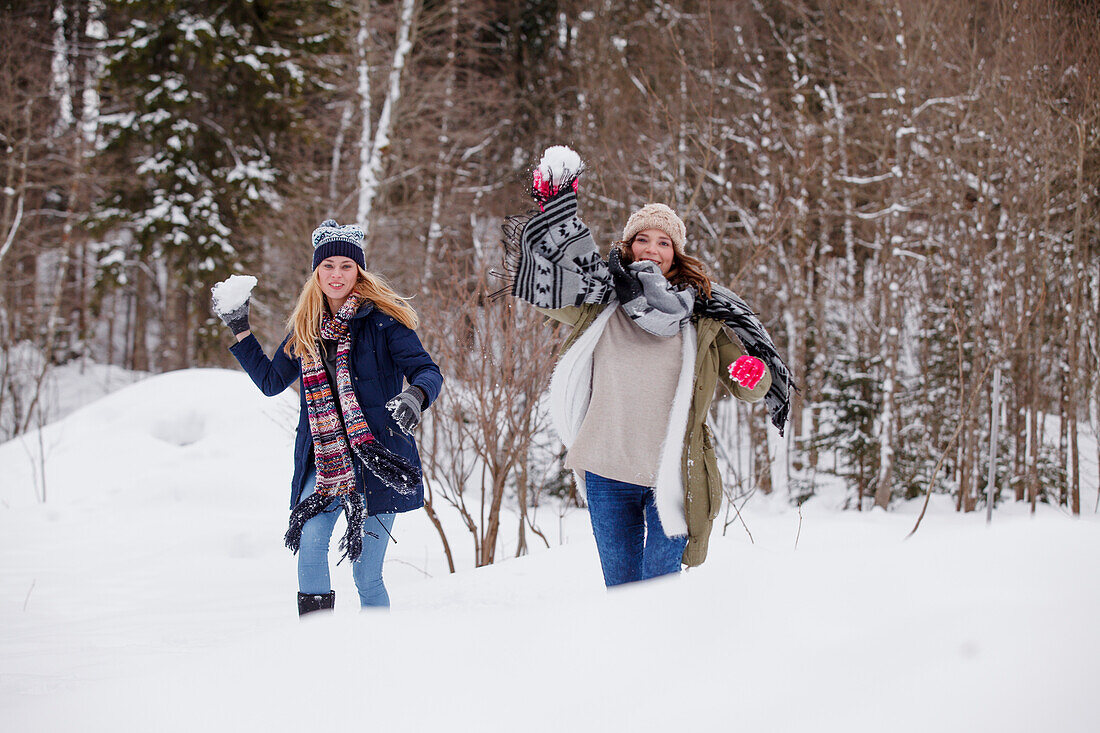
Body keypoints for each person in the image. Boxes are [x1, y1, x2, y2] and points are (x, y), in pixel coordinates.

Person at [502, 156, 794, 587]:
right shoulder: (599, 300)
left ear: (676, 252)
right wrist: (551, 216)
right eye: (643, 239)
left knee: (660, 593)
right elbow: (546, 288)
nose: (652, 250)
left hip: (672, 473)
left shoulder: (703, 317)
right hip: (606, 467)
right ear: (628, 245)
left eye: (663, 242)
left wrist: (753, 374)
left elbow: (750, 385)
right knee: (621, 593)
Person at [213, 220, 443, 615]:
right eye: (329, 266)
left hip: (376, 457)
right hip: (325, 461)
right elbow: (271, 382)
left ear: (360, 271)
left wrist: (414, 396)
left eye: (346, 266)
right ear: (316, 273)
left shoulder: (385, 322)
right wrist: (241, 331)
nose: (337, 275)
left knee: (366, 574)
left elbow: (427, 371)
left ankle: (378, 653)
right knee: (311, 545)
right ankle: (318, 649)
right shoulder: (305, 329)